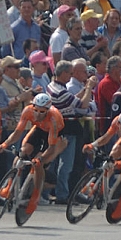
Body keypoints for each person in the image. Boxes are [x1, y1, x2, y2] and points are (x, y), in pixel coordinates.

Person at [0, 94, 68, 215]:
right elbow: (17, 132)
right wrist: (4, 144)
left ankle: (35, 196)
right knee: (23, 151)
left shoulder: (54, 118)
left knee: (39, 162)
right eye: (36, 110)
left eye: (42, 112)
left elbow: (51, 148)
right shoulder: (28, 111)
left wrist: (41, 158)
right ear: (32, 107)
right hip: (39, 129)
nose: (38, 114)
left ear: (48, 110)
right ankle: (9, 187)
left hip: (55, 137)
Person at [47, 60, 97, 204]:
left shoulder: (53, 86)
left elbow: (73, 99)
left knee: (56, 163)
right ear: (63, 74)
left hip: (62, 129)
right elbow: (82, 104)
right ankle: (62, 194)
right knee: (66, 165)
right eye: (69, 73)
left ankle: (56, 192)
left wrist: (84, 89)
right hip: (67, 130)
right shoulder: (60, 91)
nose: (71, 76)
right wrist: (88, 89)